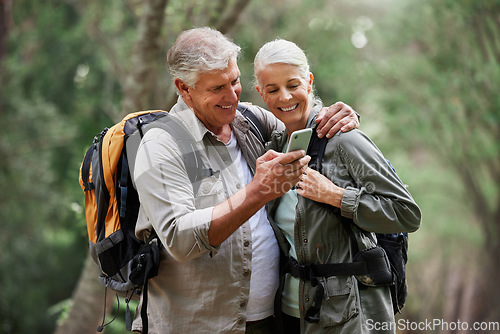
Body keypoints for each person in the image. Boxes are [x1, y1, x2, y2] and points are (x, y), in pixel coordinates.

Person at [130, 27, 360, 334]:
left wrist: (340, 116)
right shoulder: (160, 144)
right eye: (216, 89)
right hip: (193, 327)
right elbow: (180, 239)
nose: (231, 96)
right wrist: (259, 191)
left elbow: (304, 120)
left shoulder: (250, 121)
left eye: (235, 81)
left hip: (268, 322)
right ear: (184, 88)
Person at [253, 39, 421, 334]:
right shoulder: (270, 147)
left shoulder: (344, 139)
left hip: (350, 317)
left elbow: (406, 213)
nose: (285, 96)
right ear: (260, 93)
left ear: (309, 81)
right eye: (272, 89)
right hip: (291, 314)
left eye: (293, 84)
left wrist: (336, 196)